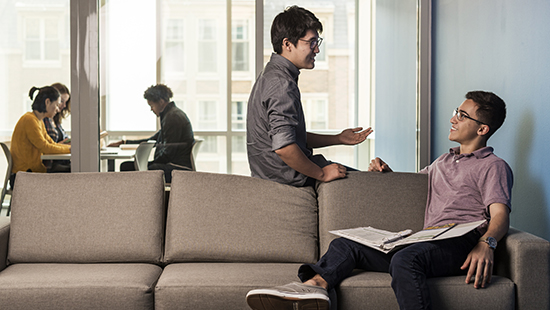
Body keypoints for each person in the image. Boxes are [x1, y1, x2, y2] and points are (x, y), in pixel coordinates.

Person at [246, 91, 513, 310]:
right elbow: (413, 186)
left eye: (462, 115)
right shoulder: (443, 161)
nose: (454, 119)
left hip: (458, 242)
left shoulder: (493, 166)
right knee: (346, 246)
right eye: (457, 111)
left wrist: (486, 244)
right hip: (425, 240)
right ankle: (315, 287)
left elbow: (500, 215)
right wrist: (386, 175)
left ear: (482, 128)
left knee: (405, 261)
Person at [246, 6, 372, 187]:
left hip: (280, 176)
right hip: (291, 179)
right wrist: (321, 173)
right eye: (311, 42)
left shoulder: (272, 74)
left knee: (372, 180)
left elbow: (289, 136)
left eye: (317, 42)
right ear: (287, 44)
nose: (317, 50)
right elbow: (284, 147)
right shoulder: (282, 84)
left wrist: (338, 138)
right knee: (374, 185)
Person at [108, 84, 194, 183]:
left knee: (128, 167)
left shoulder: (172, 118)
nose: (151, 109)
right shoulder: (171, 114)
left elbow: (169, 151)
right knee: (132, 166)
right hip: (177, 165)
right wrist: (125, 142)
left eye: (152, 105)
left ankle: (136, 197)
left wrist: (150, 163)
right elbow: (153, 140)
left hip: (177, 168)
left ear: (161, 102)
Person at [10, 86, 71, 186]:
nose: (57, 109)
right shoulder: (30, 120)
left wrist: (69, 148)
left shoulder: (38, 120)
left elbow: (51, 143)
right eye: (56, 105)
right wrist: (70, 149)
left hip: (30, 173)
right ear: (47, 102)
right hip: (24, 175)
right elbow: (45, 147)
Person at [43, 82, 71, 172]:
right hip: (51, 164)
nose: (64, 105)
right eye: (61, 101)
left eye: (66, 102)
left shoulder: (56, 121)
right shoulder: (44, 120)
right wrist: (64, 145)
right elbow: (47, 147)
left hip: (61, 161)